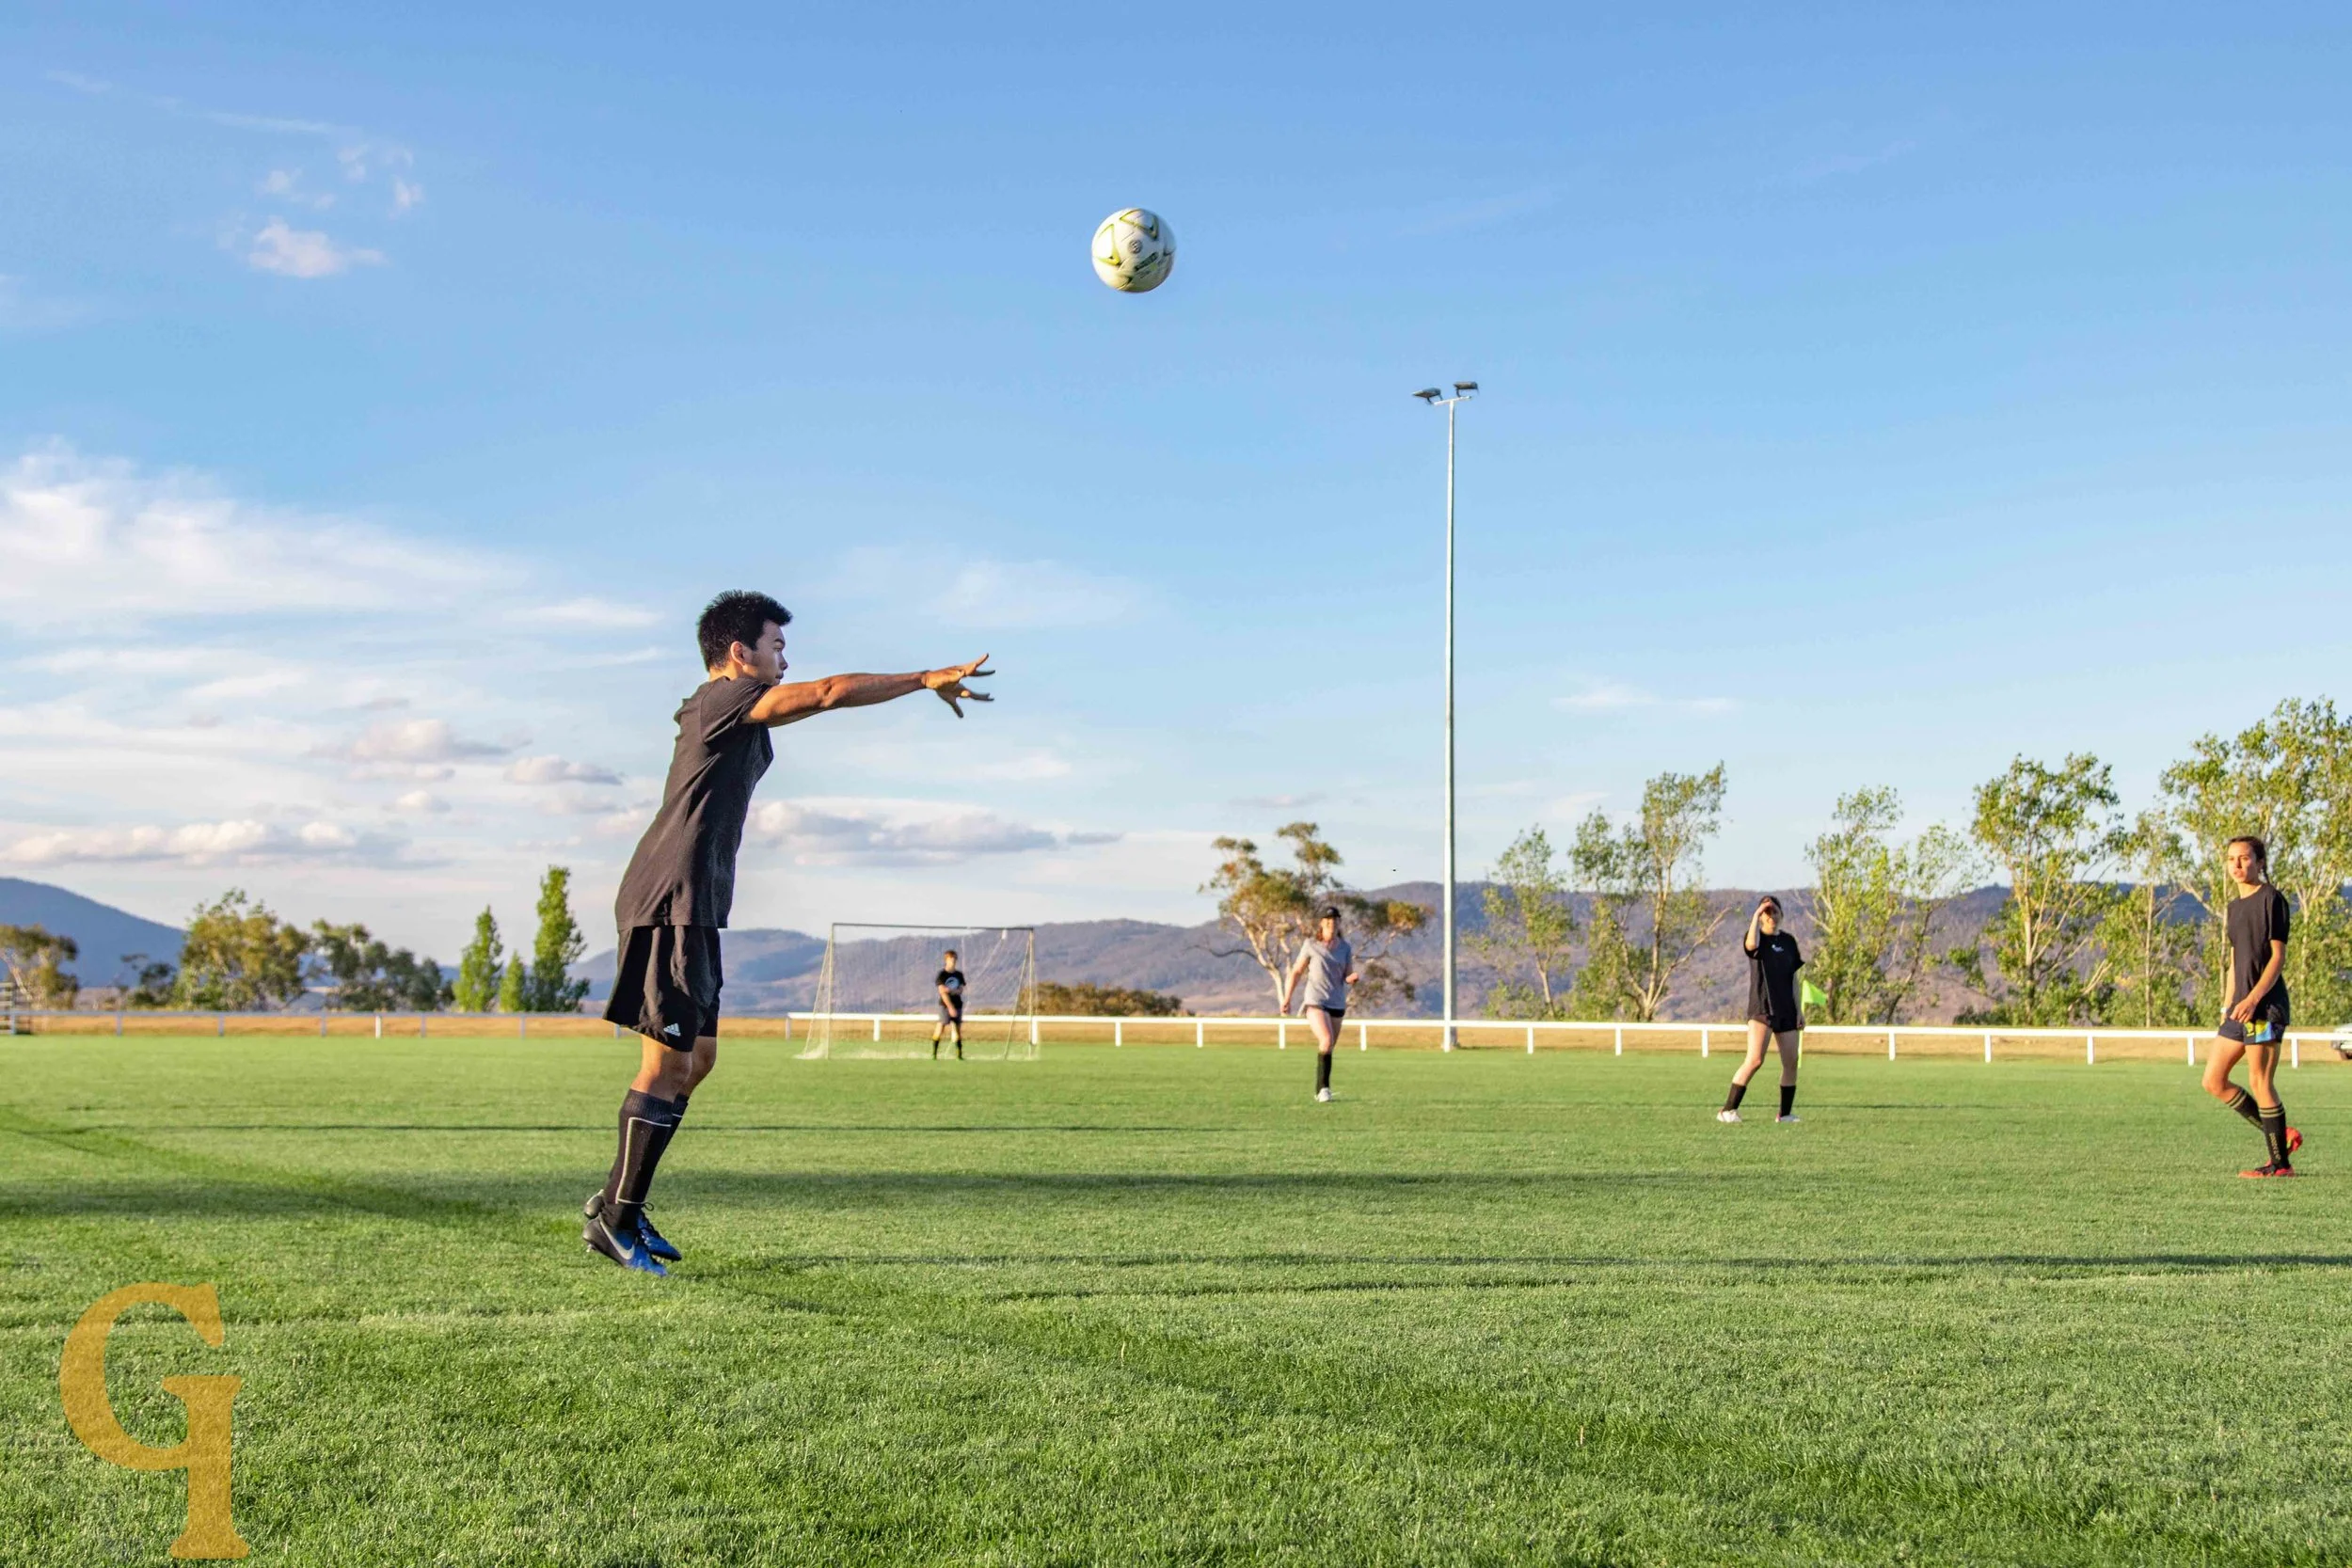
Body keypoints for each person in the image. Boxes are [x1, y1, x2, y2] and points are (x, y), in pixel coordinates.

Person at [584, 590, 993, 1274]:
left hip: (698, 904)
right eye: (776, 645)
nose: (785, 657)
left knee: (699, 1059)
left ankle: (618, 1203)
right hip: (669, 902)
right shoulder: (721, 700)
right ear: (738, 654)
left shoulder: (735, 713)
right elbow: (829, 692)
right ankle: (615, 1222)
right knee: (666, 1064)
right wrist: (924, 678)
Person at [2200, 834, 2301, 1178]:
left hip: (2264, 1006)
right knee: (2213, 1080)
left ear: (2260, 863)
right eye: (2231, 859)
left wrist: (2253, 998)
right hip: (2238, 1008)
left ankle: (2280, 1165)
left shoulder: (2271, 899)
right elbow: (2233, 959)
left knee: (2260, 1082)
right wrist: (2229, 1004)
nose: (2237, 865)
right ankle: (2280, 1135)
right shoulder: (2233, 907)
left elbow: (2278, 957)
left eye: (2244, 859)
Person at [1721, 895, 1804, 1124]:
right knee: (1755, 1060)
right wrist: (1756, 914)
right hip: (1762, 1009)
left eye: (1774, 911)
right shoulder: (1756, 939)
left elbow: (1794, 978)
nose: (1771, 916)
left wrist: (1799, 1011)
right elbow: (1751, 945)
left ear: (1781, 915)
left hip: (1787, 1009)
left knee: (1791, 1062)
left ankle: (1785, 1114)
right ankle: (1728, 1109)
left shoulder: (1789, 942)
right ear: (1760, 917)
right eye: (1766, 913)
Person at [1279, 906, 1358, 1102]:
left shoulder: (1345, 948)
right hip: (1315, 1000)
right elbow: (1297, 972)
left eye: (1336, 921)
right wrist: (1287, 998)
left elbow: (1347, 974)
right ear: (1322, 923)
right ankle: (1324, 1089)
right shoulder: (1311, 945)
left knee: (1329, 1047)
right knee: (1326, 1040)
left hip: (1337, 1002)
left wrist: (1352, 978)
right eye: (1329, 921)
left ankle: (1319, 1088)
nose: (1333, 924)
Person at [932, 948, 966, 1060]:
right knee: (940, 1027)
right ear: (946, 960)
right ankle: (934, 1054)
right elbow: (942, 991)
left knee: (957, 1029)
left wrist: (951, 990)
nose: (953, 961)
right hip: (945, 1005)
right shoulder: (942, 974)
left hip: (958, 1004)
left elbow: (960, 989)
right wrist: (950, 1007)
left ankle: (959, 1054)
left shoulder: (959, 974)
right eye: (951, 959)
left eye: (955, 959)